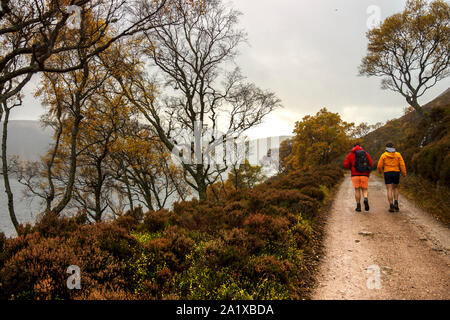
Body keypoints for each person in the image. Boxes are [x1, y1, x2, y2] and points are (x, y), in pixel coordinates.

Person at [377, 142, 407, 212]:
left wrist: (380, 171)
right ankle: (396, 202)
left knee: (389, 189)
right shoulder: (398, 154)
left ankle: (391, 205)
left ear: (386, 148)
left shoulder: (383, 155)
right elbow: (402, 164)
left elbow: (379, 165)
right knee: (395, 188)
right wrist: (404, 173)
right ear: (393, 147)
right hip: (396, 172)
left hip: (387, 172)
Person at [344, 143, 374, 212]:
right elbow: (371, 163)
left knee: (357, 190)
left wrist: (351, 168)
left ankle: (358, 206)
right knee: (364, 189)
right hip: (364, 174)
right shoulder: (365, 153)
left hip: (355, 175)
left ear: (353, 147)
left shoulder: (350, 154)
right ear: (361, 147)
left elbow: (345, 165)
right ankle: (365, 198)